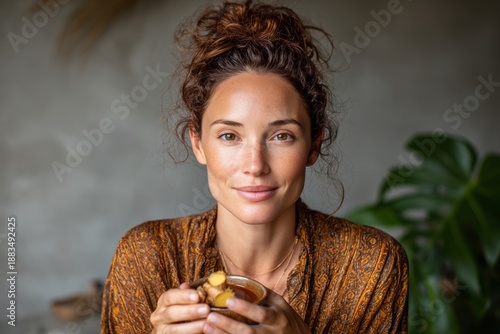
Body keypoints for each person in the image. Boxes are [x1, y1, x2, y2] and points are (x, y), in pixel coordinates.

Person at [100, 1, 409, 333]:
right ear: (198, 143)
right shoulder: (146, 257)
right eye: (230, 135)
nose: (255, 165)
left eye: (281, 136)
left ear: (314, 144)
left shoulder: (373, 264)